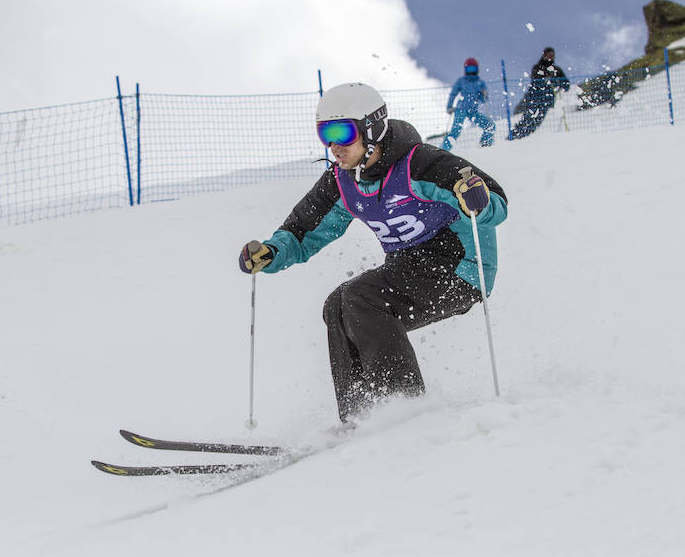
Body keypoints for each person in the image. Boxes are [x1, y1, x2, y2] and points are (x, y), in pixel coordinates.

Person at [238, 82, 508, 424]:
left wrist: (476, 200)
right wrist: (272, 252)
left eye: (343, 133)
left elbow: (496, 203)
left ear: (372, 128)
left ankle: (402, 408)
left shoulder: (421, 164)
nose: (334, 146)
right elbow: (305, 228)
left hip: (459, 269)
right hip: (407, 268)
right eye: (326, 135)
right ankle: (361, 417)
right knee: (337, 305)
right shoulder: (343, 180)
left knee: (359, 298)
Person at [511, 47, 570, 139]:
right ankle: (514, 137)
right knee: (527, 119)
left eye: (552, 55)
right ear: (544, 55)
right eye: (548, 55)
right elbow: (536, 80)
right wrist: (547, 78)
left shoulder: (557, 70)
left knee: (536, 122)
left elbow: (566, 84)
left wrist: (557, 82)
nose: (550, 57)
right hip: (534, 99)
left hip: (546, 102)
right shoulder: (537, 67)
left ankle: (523, 138)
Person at [443, 57, 495, 149]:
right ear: (465, 69)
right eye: (469, 69)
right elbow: (453, 93)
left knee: (490, 126)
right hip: (460, 110)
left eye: (473, 69)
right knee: (455, 131)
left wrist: (484, 94)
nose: (471, 71)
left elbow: (483, 100)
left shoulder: (480, 83)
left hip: (473, 111)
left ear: (477, 69)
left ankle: (485, 146)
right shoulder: (461, 81)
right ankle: (444, 150)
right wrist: (449, 106)